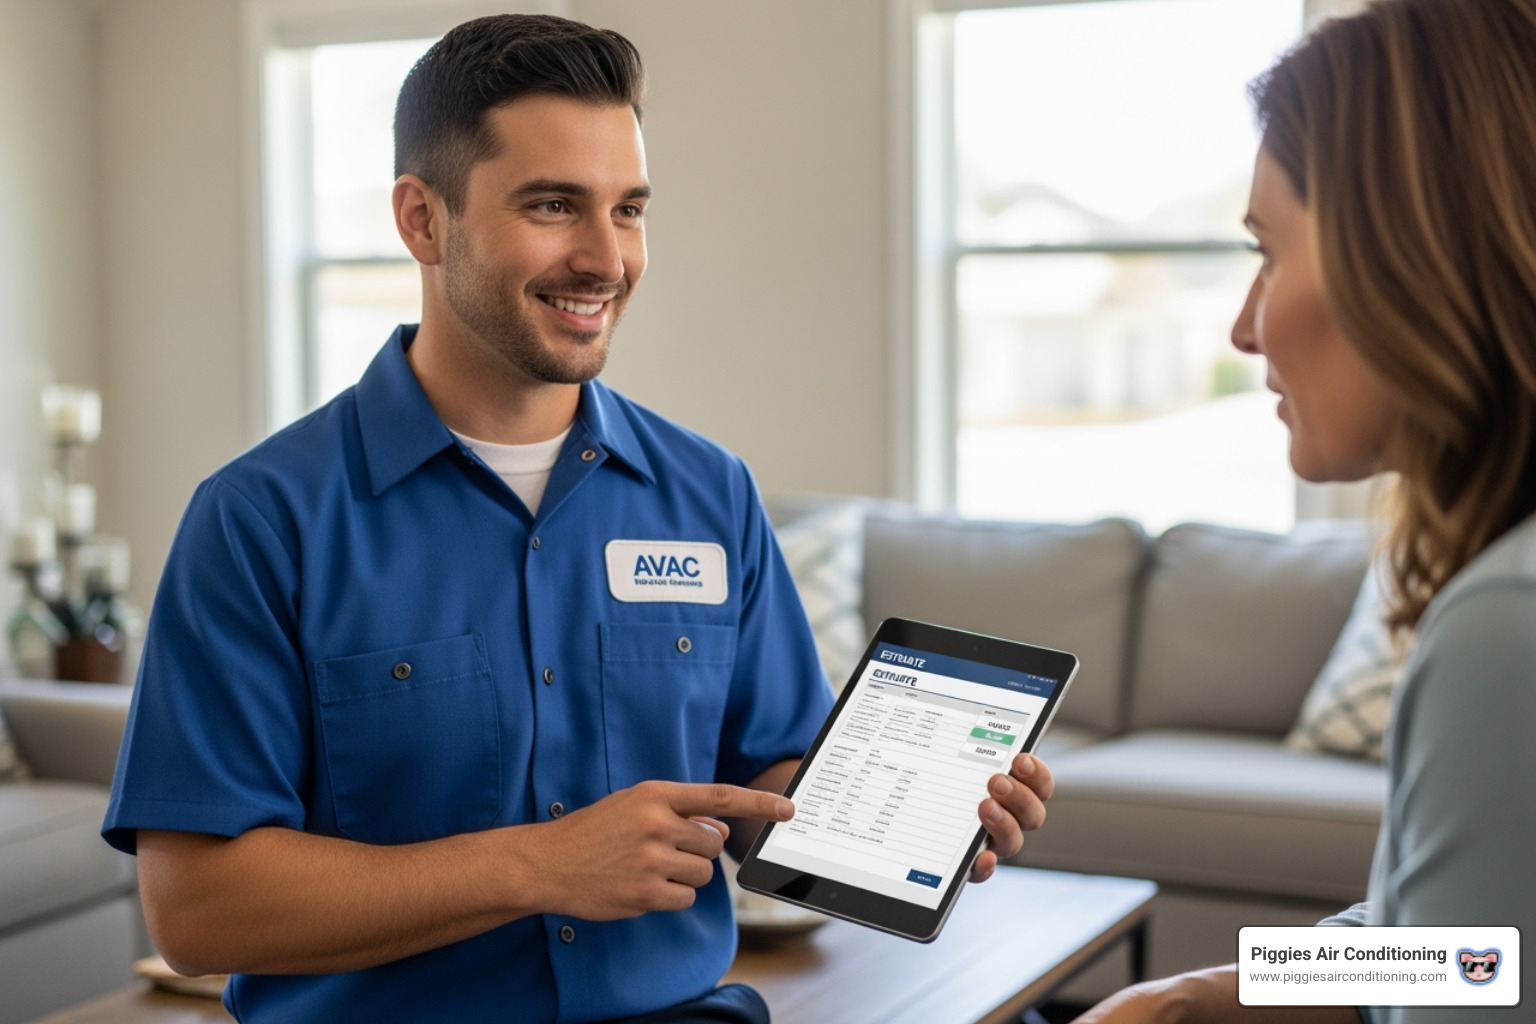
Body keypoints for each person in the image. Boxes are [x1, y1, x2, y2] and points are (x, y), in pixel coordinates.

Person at [101, 14, 1055, 1024]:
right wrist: (540, 865)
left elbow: (768, 785)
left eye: (629, 210)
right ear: (422, 220)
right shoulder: (259, 522)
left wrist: (917, 814)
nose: (607, 258)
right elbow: (195, 910)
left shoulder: (710, 493)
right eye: (555, 206)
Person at [1074, 1, 1536, 1021]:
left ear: (1409, 256)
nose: (1245, 328)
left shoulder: (1506, 627)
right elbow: (1471, 952)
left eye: (1270, 254)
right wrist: (1190, 995)